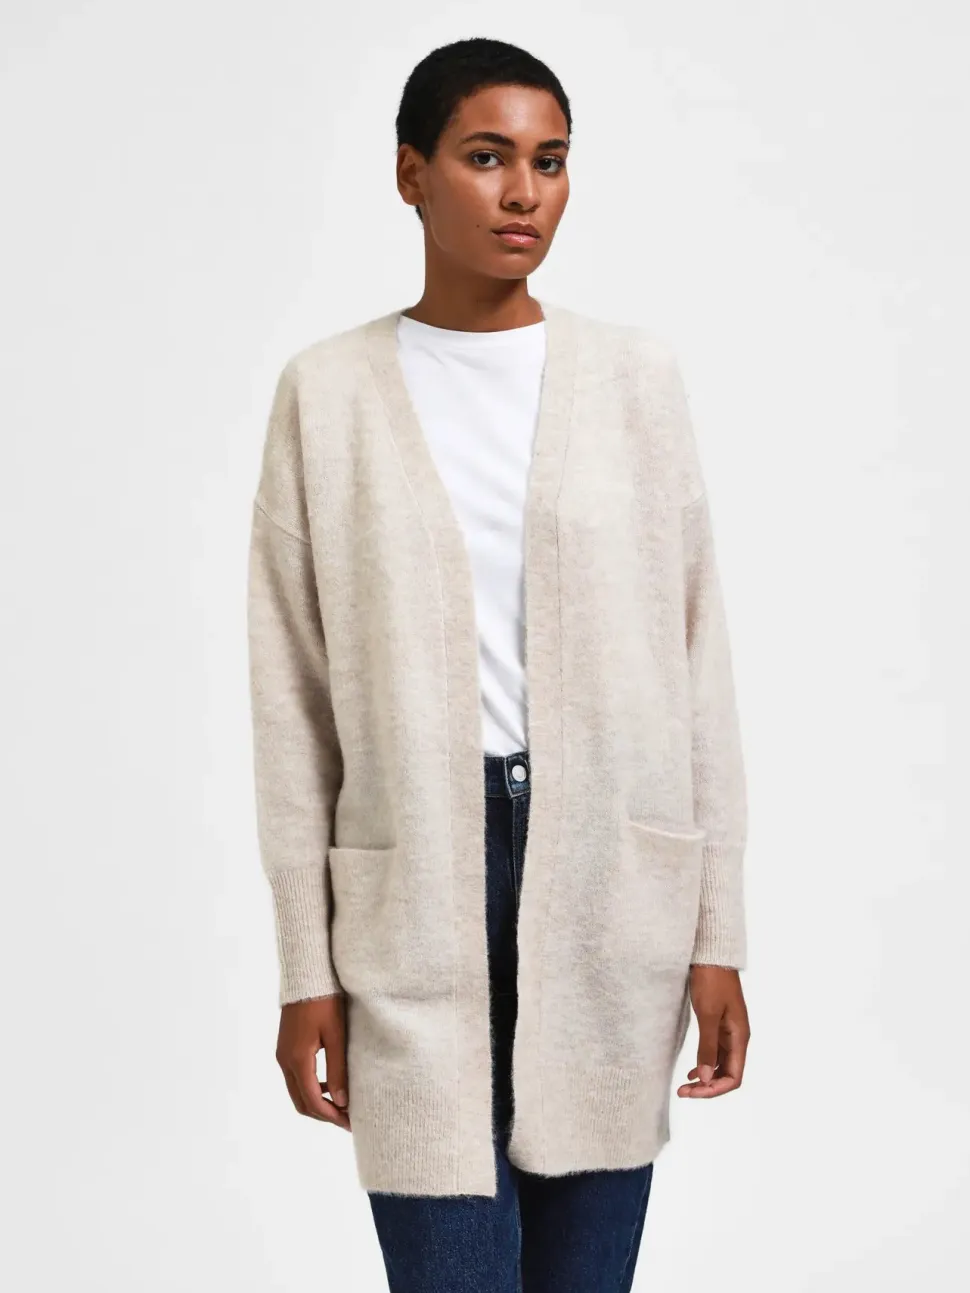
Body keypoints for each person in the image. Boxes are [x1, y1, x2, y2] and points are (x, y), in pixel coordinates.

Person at [246, 36, 751, 1293]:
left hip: (608, 890)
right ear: (411, 175)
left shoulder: (634, 380)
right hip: (415, 888)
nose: (524, 192)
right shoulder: (327, 394)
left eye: (550, 161)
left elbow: (696, 665)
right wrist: (306, 968)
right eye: (485, 157)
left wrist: (717, 930)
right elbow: (292, 702)